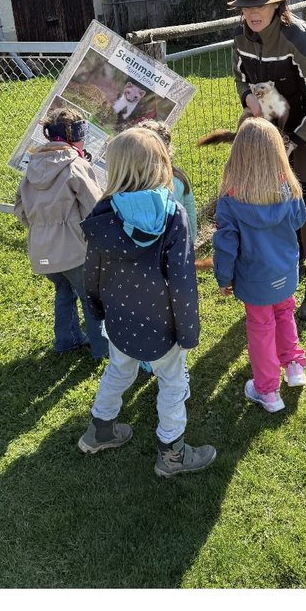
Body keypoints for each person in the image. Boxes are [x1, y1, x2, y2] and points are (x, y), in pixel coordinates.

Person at [77, 127, 216, 477]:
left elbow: (90, 271)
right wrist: (189, 332)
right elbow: (182, 281)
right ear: (160, 164)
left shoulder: (102, 213)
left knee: (117, 370)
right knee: (173, 383)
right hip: (164, 325)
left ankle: (100, 430)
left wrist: (95, 311)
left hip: (119, 321)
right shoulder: (173, 216)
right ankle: (172, 455)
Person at [229, 0, 306, 321]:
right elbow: (240, 76)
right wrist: (248, 98)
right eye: (246, 8)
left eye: (259, 5)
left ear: (277, 5)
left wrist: (293, 142)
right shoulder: (241, 37)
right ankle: (289, 263)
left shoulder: (302, 40)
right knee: (274, 193)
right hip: (274, 118)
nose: (252, 14)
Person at [213, 118, 306, 413]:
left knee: (260, 328)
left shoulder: (230, 203)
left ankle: (267, 390)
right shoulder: (289, 190)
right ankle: (293, 366)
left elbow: (225, 247)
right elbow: (299, 220)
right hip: (285, 271)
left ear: (238, 155)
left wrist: (223, 278)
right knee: (285, 311)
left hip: (254, 280)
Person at [14, 106, 108, 361]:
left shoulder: (32, 167)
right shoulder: (76, 165)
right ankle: (102, 350)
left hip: (41, 251)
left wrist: (41, 228)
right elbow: (94, 206)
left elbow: (20, 208)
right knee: (91, 298)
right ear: (74, 135)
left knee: (64, 291)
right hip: (74, 250)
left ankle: (67, 339)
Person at [135, 119, 197, 376]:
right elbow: (190, 217)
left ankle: (147, 358)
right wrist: (189, 245)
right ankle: (173, 351)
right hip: (174, 257)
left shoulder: (133, 182)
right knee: (173, 304)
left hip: (143, 259)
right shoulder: (179, 179)